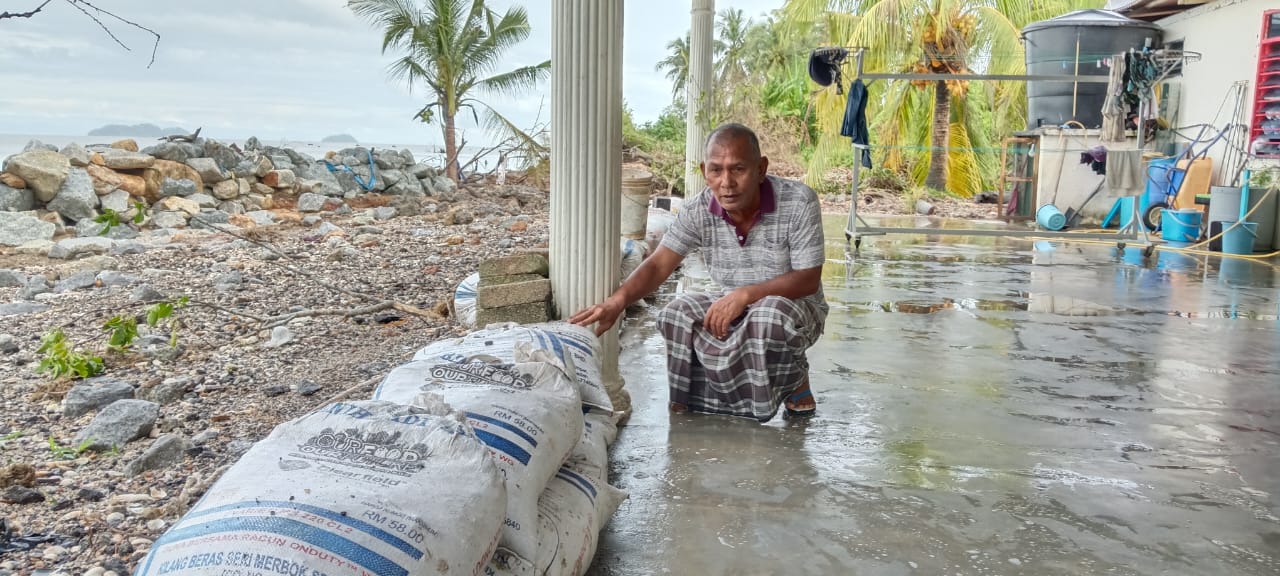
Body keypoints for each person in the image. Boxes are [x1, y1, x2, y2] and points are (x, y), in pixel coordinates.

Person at [570, 123, 828, 422]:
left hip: (796, 308)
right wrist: (618, 301)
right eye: (716, 170)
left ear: (761, 169)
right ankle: (689, 407)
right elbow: (659, 264)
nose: (726, 182)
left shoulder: (798, 201)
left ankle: (793, 381)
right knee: (675, 314)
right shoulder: (698, 210)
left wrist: (746, 295)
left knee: (768, 316)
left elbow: (808, 278)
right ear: (705, 170)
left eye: (738, 169)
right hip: (735, 302)